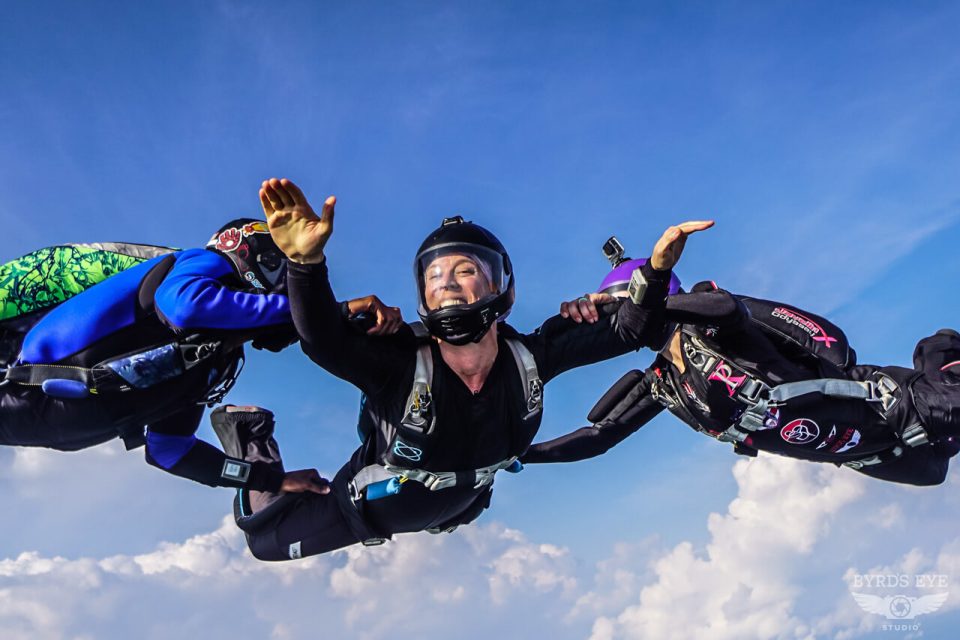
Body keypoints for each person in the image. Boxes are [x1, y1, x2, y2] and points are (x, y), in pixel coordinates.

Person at [210, 177, 712, 560]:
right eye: (435, 275)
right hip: (366, 507)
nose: (447, 282)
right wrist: (305, 265)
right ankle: (250, 434)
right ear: (422, 295)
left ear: (501, 286)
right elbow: (321, 339)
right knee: (265, 541)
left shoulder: (532, 357)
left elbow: (631, 330)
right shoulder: (397, 363)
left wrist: (655, 272)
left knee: (460, 507)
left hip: (461, 503)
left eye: (466, 269)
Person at [521, 239, 960, 486]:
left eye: (625, 309)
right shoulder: (664, 384)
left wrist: (653, 293)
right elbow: (599, 437)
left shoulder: (710, 319)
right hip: (878, 454)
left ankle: (944, 347)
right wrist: (515, 457)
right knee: (936, 472)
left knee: (945, 379)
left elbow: (820, 340)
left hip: (898, 406)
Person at [0, 218, 390, 496]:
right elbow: (185, 306)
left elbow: (170, 451)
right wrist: (327, 309)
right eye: (283, 276)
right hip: (23, 393)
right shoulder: (200, 264)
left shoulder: (212, 360)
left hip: (45, 420)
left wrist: (268, 481)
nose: (288, 293)